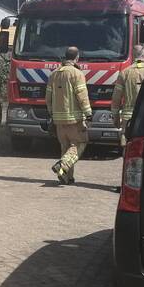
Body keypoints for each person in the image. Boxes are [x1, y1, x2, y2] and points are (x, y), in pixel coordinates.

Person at [46, 46, 92, 185]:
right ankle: (63, 166)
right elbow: (82, 96)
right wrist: (88, 113)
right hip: (74, 119)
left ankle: (66, 176)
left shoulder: (53, 74)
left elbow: (48, 98)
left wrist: (52, 114)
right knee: (79, 143)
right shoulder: (77, 74)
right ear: (77, 58)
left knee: (65, 148)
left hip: (59, 120)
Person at [111, 45, 144, 148]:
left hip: (128, 119)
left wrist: (115, 118)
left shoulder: (125, 73)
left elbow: (116, 98)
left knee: (128, 148)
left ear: (132, 55)